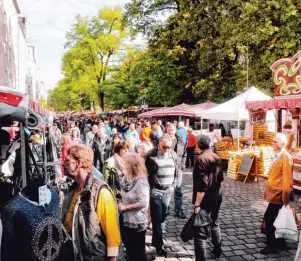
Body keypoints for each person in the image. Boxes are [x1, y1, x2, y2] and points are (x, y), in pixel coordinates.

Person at [61, 144, 121, 261]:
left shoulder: (101, 192)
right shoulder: (71, 189)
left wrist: (112, 259)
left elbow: (112, 235)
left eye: (68, 161)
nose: (64, 164)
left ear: (79, 163)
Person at [145, 134, 179, 256]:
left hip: (168, 190)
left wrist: (174, 185)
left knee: (163, 215)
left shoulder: (173, 154)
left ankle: (157, 239)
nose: (166, 149)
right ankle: (159, 245)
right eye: (164, 147)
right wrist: (149, 189)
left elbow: (178, 170)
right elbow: (145, 173)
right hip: (156, 191)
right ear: (159, 143)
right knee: (157, 217)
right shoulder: (151, 155)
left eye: (168, 147)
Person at [261, 133, 293, 254]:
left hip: (279, 195)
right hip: (274, 193)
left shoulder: (285, 157)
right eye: (273, 141)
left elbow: (287, 180)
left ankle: (271, 245)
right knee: (277, 218)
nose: (272, 143)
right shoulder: (278, 155)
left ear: (282, 144)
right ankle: (280, 243)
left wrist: (285, 199)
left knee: (269, 219)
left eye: (275, 141)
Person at [193, 134, 224, 261]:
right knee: (215, 224)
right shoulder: (216, 157)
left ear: (198, 144)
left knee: (200, 233)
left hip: (205, 200)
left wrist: (197, 205)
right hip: (216, 196)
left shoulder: (201, 159)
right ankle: (217, 249)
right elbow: (221, 178)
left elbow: (202, 186)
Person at [118, 153, 150, 261]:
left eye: (124, 164)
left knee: (138, 251)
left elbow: (143, 202)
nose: (122, 166)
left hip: (137, 222)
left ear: (132, 166)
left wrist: (125, 207)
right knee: (129, 248)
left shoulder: (141, 182)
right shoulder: (124, 179)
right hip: (125, 220)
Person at [167, 123, 187, 219]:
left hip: (178, 168)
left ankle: (178, 210)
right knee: (167, 190)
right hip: (167, 168)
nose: (171, 132)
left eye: (172, 130)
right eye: (169, 130)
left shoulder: (180, 141)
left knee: (178, 190)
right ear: (167, 130)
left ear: (175, 130)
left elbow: (184, 154)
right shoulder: (163, 141)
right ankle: (165, 208)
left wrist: (183, 165)